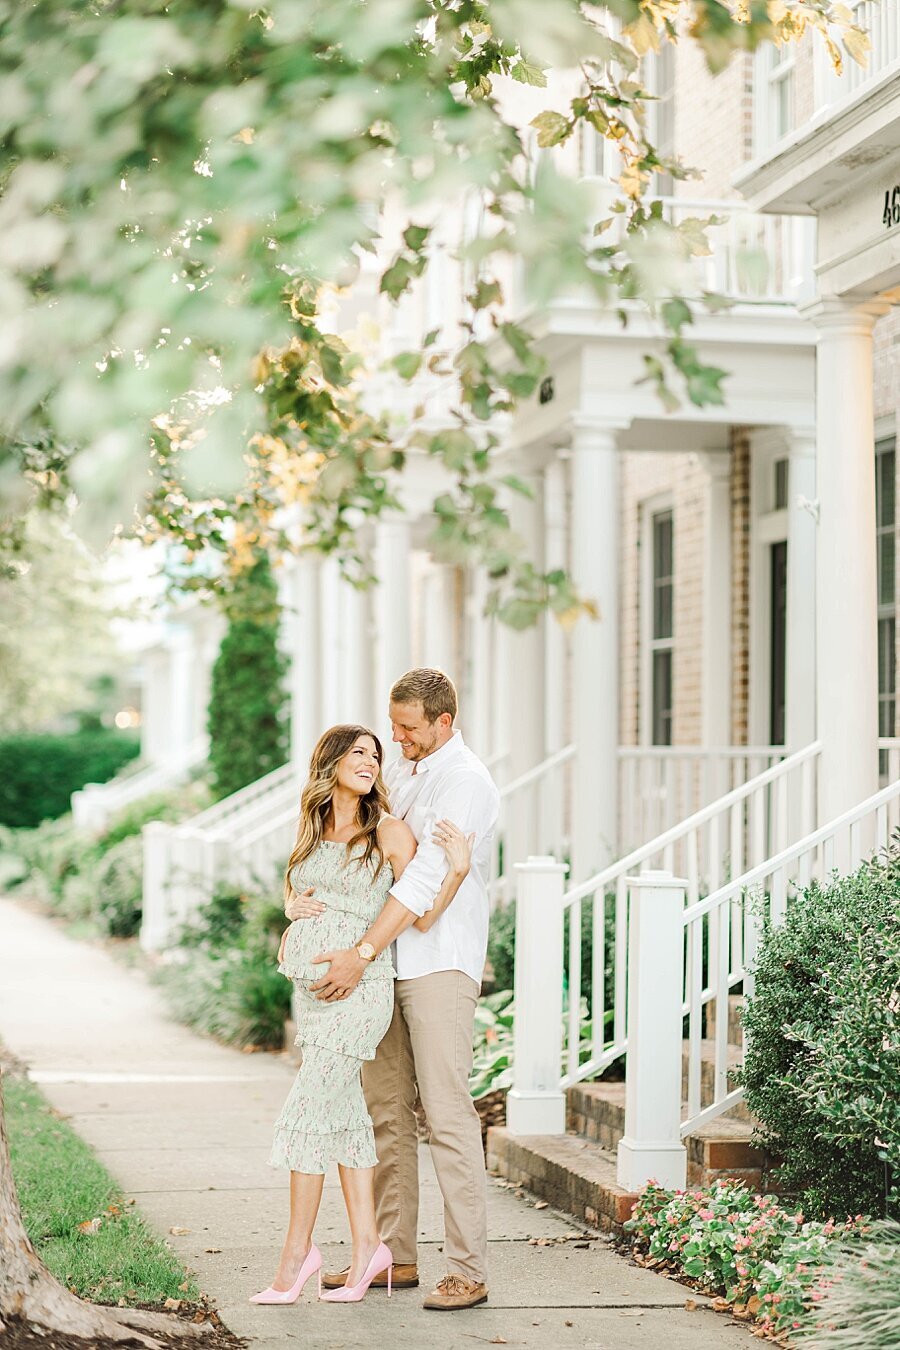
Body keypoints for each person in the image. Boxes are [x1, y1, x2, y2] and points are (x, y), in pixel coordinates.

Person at [290, 670, 501, 1311]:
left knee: (445, 1112)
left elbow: (420, 887)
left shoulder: (465, 782)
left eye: (408, 728)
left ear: (443, 722)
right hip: (384, 972)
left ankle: (467, 1268)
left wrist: (357, 953)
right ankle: (394, 1255)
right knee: (384, 1115)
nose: (396, 739)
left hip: (435, 964)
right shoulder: (404, 774)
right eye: (393, 725)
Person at [250, 724, 472, 1307]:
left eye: (376, 755)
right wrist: (290, 913)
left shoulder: (389, 832)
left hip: (360, 995)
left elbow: (419, 916)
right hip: (315, 999)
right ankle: (371, 1246)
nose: (372, 762)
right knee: (347, 1119)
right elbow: (302, 894)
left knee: (305, 1115)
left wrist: (456, 871)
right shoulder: (313, 829)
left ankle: (296, 1258)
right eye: (359, 753)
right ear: (330, 762)